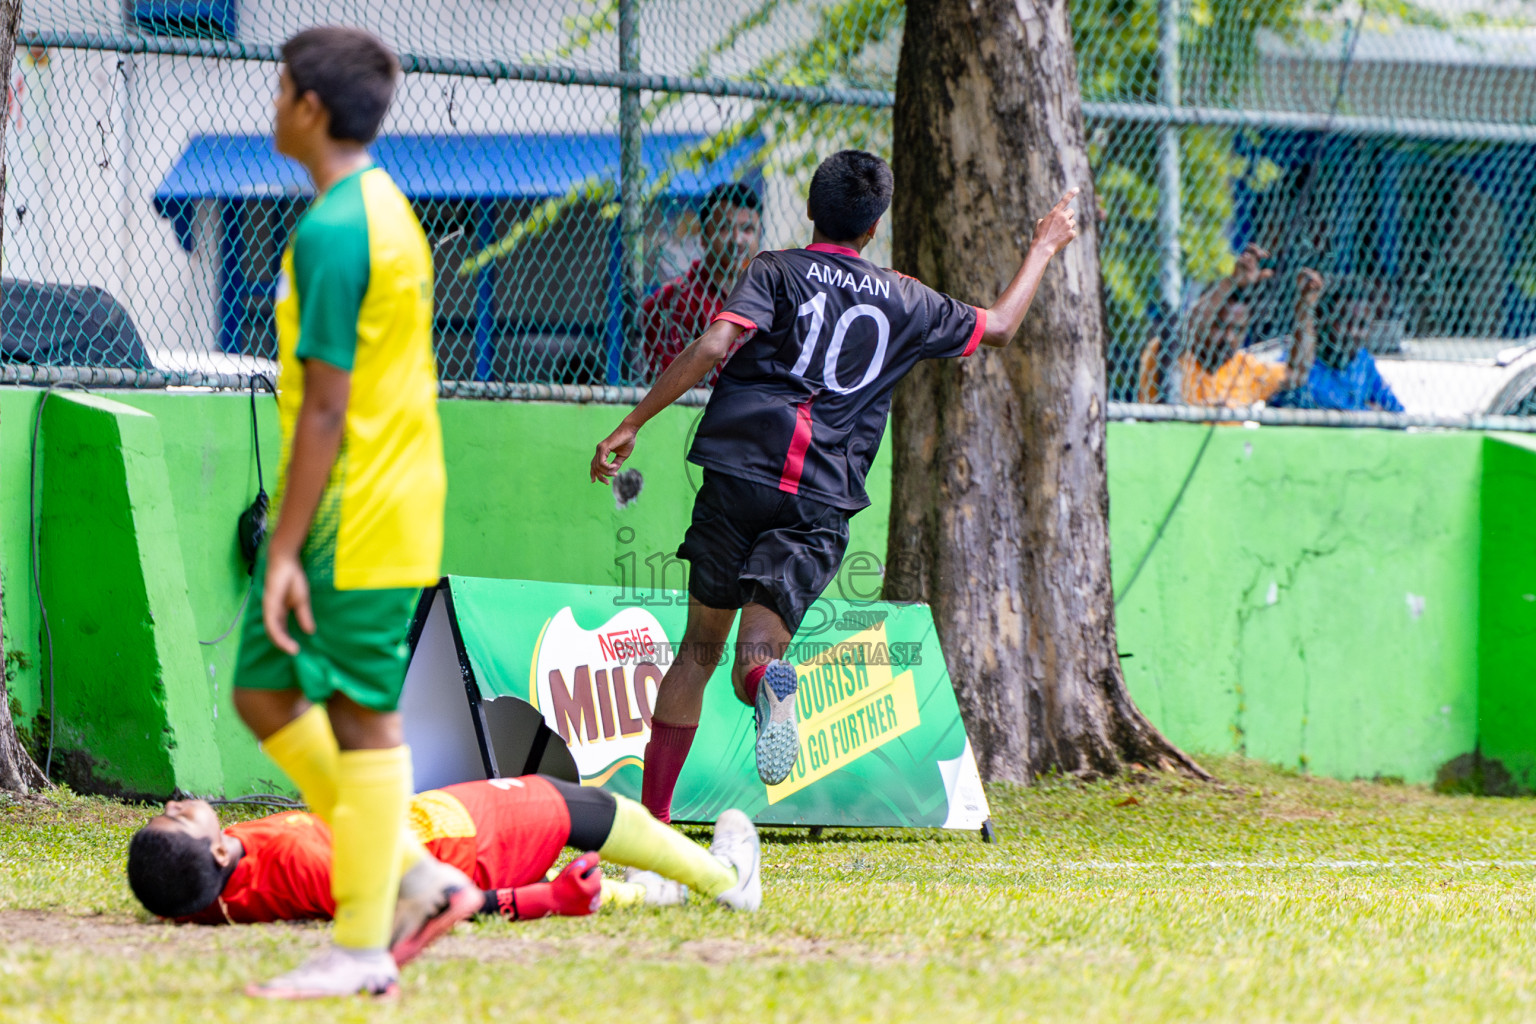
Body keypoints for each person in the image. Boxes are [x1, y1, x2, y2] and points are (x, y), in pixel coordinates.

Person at [590, 149, 1081, 822]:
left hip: (739, 472)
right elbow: (998, 325)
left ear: (813, 210)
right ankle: (768, 681)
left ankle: (654, 827)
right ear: (874, 226)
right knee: (753, 660)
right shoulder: (908, 297)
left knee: (698, 650)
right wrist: (1045, 246)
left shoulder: (775, 269)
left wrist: (632, 423)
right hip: (821, 492)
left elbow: (712, 347)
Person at [227, 27, 462, 1000]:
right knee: (263, 690)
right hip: (375, 498)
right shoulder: (377, 209)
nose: (273, 104)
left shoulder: (334, 229)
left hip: (357, 512)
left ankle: (363, 943)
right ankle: (408, 874)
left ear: (310, 108)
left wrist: (284, 547)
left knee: (365, 720)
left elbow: (327, 402)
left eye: (279, 89)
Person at [125, 777, 761, 937]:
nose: (180, 801)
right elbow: (431, 901)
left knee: (589, 815)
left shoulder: (201, 893)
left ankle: (653, 893)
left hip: (428, 823)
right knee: (589, 811)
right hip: (460, 841)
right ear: (210, 847)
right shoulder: (305, 865)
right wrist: (543, 900)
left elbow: (175, 899)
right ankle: (728, 880)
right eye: (177, 815)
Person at [1137, 245, 1316, 407]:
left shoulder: (1245, 368)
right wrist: (1232, 280)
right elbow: (1184, 331)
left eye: (1237, 330)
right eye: (1219, 326)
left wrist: (1305, 309)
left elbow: (1297, 373)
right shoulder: (1171, 354)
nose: (1228, 337)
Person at [640, 182, 763, 385]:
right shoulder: (671, 301)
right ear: (704, 236)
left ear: (758, 236)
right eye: (724, 228)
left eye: (747, 229)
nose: (737, 239)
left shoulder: (768, 299)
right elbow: (669, 386)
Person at [1271, 275, 1404, 412]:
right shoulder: (1298, 362)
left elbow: (1397, 411)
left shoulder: (1363, 362)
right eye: (1344, 322)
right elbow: (1323, 404)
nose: (1353, 332)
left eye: (1361, 325)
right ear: (1322, 319)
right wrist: (1369, 411)